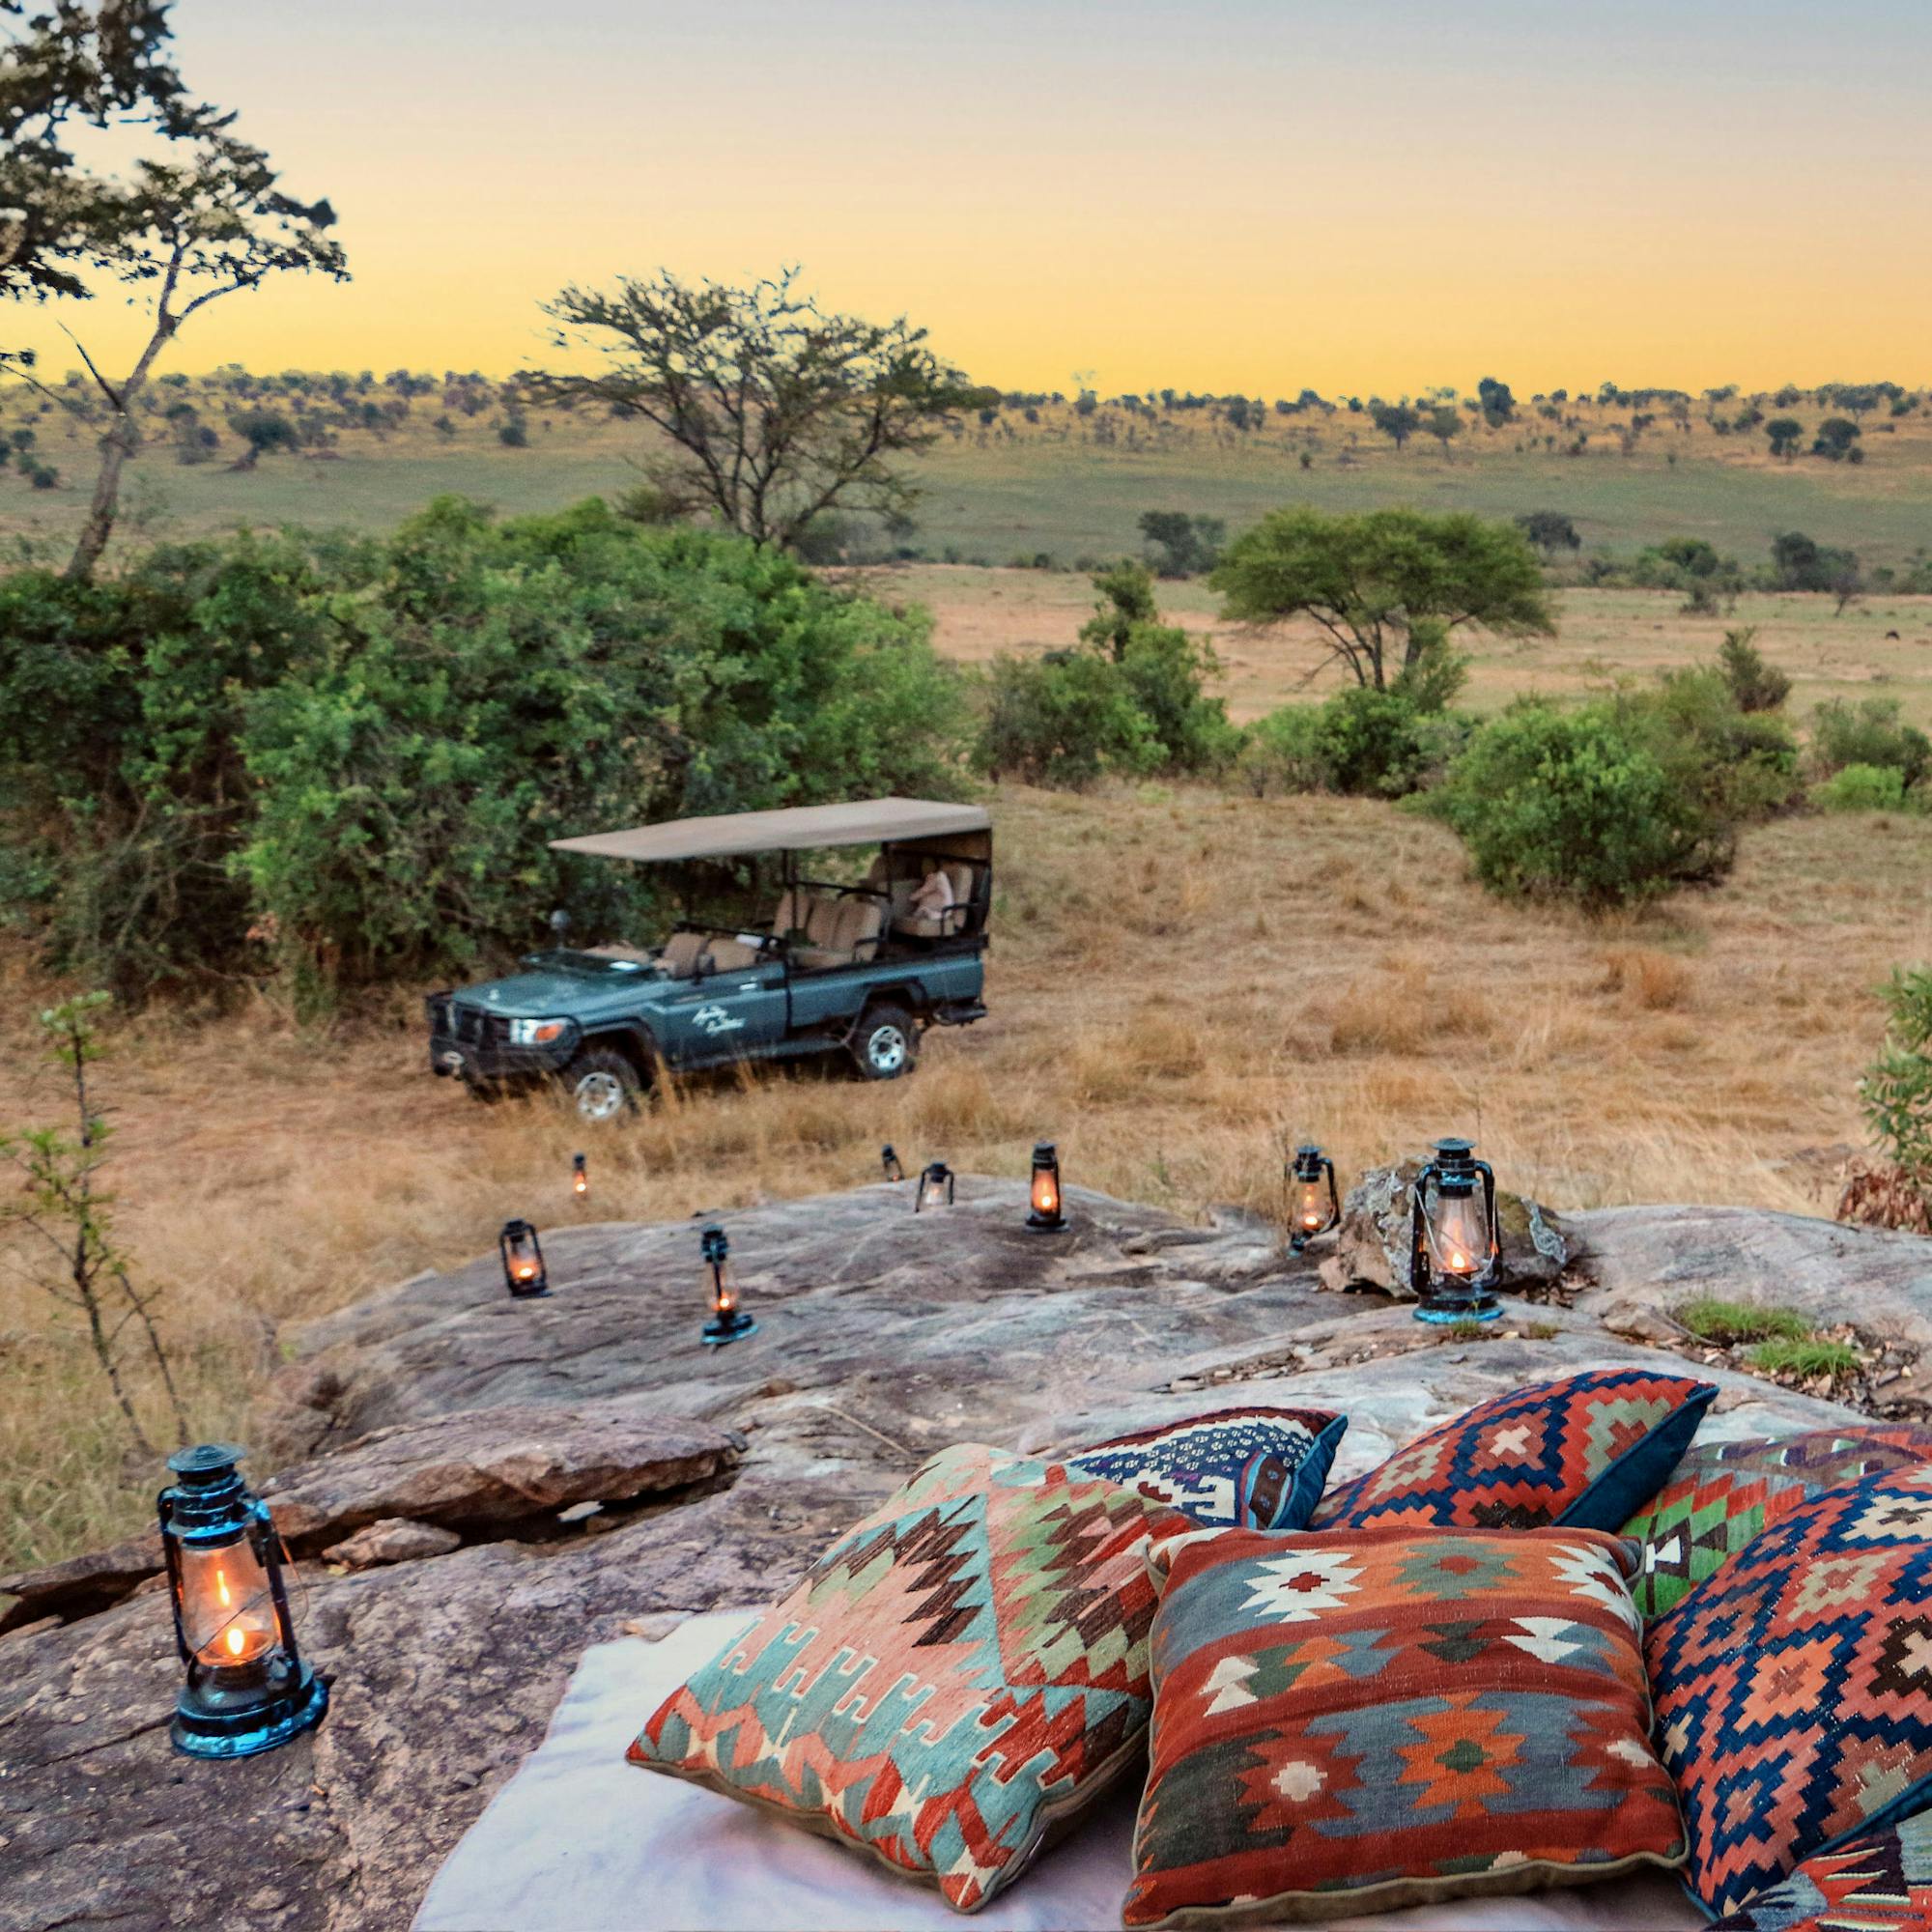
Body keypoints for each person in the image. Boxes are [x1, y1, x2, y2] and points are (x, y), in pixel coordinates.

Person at [908, 860, 955, 926]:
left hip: (942, 909)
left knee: (921, 907)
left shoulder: (936, 876)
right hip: (944, 909)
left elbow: (924, 890)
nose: (924, 869)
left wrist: (911, 897)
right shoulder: (941, 875)